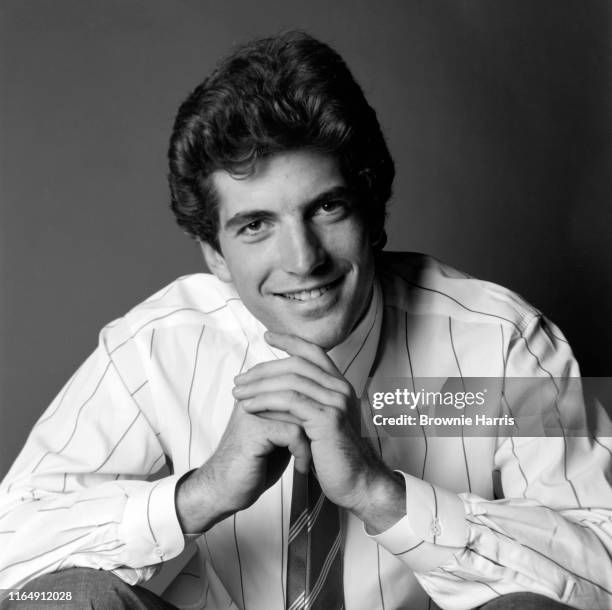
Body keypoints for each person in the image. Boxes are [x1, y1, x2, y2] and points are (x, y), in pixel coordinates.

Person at [0, 31, 610, 610]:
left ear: (370, 212)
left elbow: (604, 569)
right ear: (215, 252)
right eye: (256, 225)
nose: (303, 260)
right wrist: (201, 493)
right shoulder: (158, 346)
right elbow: (12, 568)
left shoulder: (499, 343)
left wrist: (383, 494)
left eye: (327, 207)